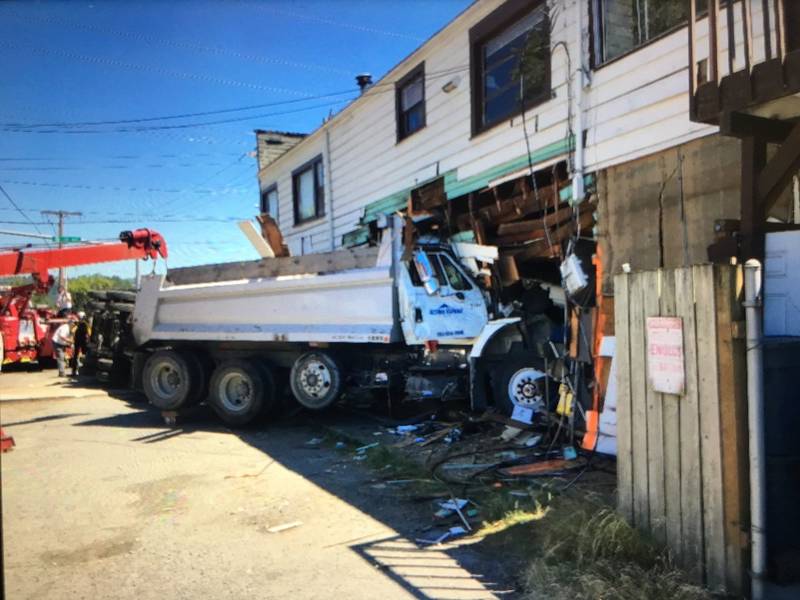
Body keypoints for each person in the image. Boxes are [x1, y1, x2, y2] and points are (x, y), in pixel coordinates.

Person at [71, 311, 89, 377]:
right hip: (82, 342)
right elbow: (88, 334)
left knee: (76, 356)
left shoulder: (77, 324)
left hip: (78, 342)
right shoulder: (85, 324)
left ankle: (74, 371)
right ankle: (81, 370)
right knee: (84, 355)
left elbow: (72, 331)